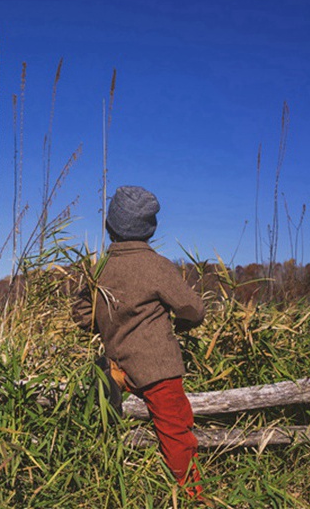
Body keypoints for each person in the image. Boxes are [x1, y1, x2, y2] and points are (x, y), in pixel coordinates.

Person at [72, 185, 208, 502]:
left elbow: (81, 314)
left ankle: (109, 485)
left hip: (116, 365)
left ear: (109, 226)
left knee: (107, 424)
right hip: (157, 369)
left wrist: (106, 321)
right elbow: (194, 310)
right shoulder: (157, 266)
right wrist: (179, 325)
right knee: (176, 431)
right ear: (151, 229)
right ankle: (192, 496)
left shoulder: (98, 269)